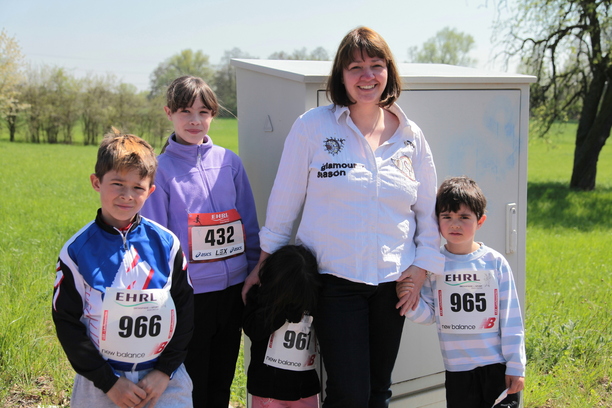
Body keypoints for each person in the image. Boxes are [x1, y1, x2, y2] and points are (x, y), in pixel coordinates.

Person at [242, 27, 444, 408]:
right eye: (355, 67)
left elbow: (426, 212)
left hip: (393, 284)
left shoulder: (411, 136)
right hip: (334, 281)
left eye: (376, 65)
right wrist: (264, 263)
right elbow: (284, 201)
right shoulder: (313, 127)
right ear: (341, 75)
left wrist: (421, 269)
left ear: (389, 71)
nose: (367, 75)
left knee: (379, 390)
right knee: (349, 393)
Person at [52, 129, 194, 408]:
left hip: (163, 380)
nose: (127, 195)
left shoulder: (167, 244)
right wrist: (109, 383)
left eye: (138, 188)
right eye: (117, 184)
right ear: (96, 182)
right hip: (102, 383)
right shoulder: (76, 251)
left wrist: (164, 371)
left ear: (150, 191)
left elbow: (185, 308)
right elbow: (66, 322)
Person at [141, 75, 260, 408]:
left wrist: (253, 272)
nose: (194, 120)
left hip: (233, 291)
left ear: (213, 115)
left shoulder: (230, 162)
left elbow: (248, 223)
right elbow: (155, 241)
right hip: (190, 296)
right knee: (192, 381)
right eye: (185, 112)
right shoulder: (161, 171)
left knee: (222, 377)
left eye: (203, 112)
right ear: (169, 113)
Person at [397, 176, 526, 408]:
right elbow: (431, 315)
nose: (455, 224)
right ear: (437, 220)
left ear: (480, 221)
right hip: (458, 370)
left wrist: (516, 366)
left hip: (496, 365)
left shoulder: (495, 262)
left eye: (464, 217)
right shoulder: (433, 264)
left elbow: (511, 318)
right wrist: (409, 301)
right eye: (447, 216)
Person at [243, 245, 322, 408]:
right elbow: (253, 330)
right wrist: (280, 311)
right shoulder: (260, 299)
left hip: (304, 390)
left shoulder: (313, 302)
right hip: (268, 391)